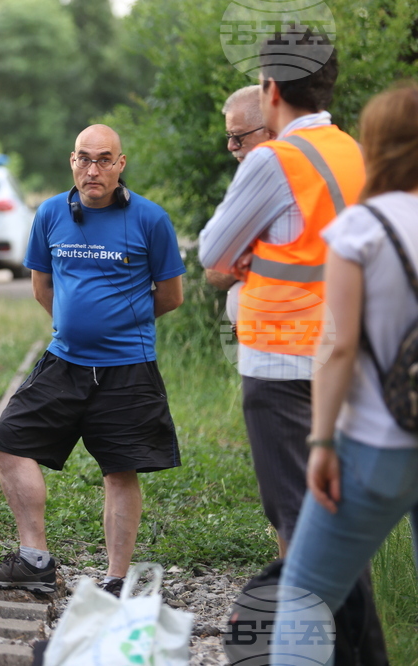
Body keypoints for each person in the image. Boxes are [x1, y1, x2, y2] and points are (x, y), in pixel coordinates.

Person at [0, 124, 186, 596]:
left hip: (128, 366)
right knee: (8, 441)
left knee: (119, 468)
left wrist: (115, 325)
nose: (94, 169)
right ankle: (34, 559)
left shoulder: (149, 219)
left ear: (120, 165)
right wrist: (76, 325)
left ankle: (116, 578)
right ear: (72, 162)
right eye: (85, 159)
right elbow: (41, 286)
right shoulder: (50, 214)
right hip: (65, 362)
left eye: (104, 159)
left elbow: (171, 295)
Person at [198, 38, 365, 556]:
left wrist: (246, 254)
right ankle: (340, 634)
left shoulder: (275, 160)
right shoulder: (351, 149)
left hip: (282, 361)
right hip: (345, 355)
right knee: (328, 513)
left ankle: (319, 633)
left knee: (296, 517)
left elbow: (213, 253)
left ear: (271, 90)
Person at [272, 81, 418, 666]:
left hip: (376, 445)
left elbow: (337, 347)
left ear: (378, 144)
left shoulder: (361, 229)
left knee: (303, 605)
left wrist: (322, 441)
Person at [206, 85, 276, 325]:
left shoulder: (274, 177)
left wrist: (246, 259)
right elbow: (214, 268)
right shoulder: (254, 180)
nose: (231, 146)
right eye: (229, 137)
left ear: (271, 131)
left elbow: (218, 264)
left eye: (238, 136)